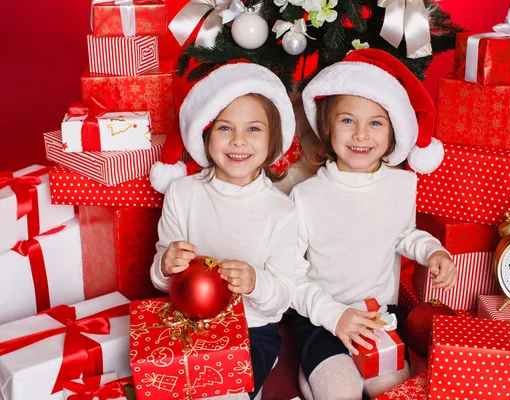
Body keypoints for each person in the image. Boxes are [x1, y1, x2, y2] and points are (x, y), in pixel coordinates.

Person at [290, 48, 458, 400]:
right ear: (327, 126)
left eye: (376, 123)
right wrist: (332, 315)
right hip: (323, 315)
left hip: (379, 313)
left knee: (390, 389)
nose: (361, 134)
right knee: (341, 392)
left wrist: (433, 251)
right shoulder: (307, 195)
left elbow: (403, 235)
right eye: (347, 120)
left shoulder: (400, 186)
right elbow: (290, 271)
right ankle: (314, 374)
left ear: (393, 129)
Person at [148, 60, 298, 400]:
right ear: (206, 134)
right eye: (225, 128)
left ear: (274, 138)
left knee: (219, 394)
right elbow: (158, 279)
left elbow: (283, 296)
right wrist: (165, 265)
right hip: (185, 323)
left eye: (254, 129)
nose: (239, 141)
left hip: (251, 331)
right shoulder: (183, 193)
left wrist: (256, 281)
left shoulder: (282, 211)